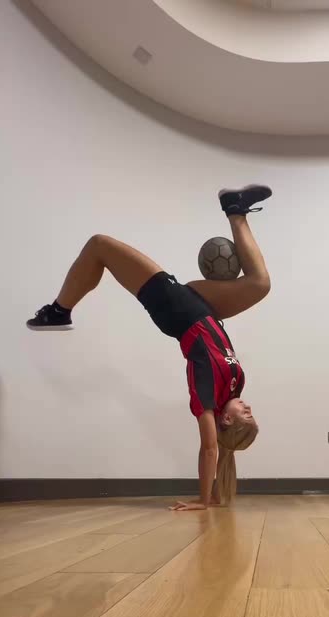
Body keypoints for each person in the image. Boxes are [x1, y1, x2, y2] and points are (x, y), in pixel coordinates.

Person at [27, 185, 272, 511]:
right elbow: (224, 450)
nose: (249, 408)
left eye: (246, 415)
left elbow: (210, 448)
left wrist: (203, 499)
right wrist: (218, 491)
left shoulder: (206, 395)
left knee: (99, 245)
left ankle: (58, 311)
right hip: (205, 311)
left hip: (176, 309)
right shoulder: (235, 386)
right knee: (260, 284)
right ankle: (235, 208)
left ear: (226, 420)